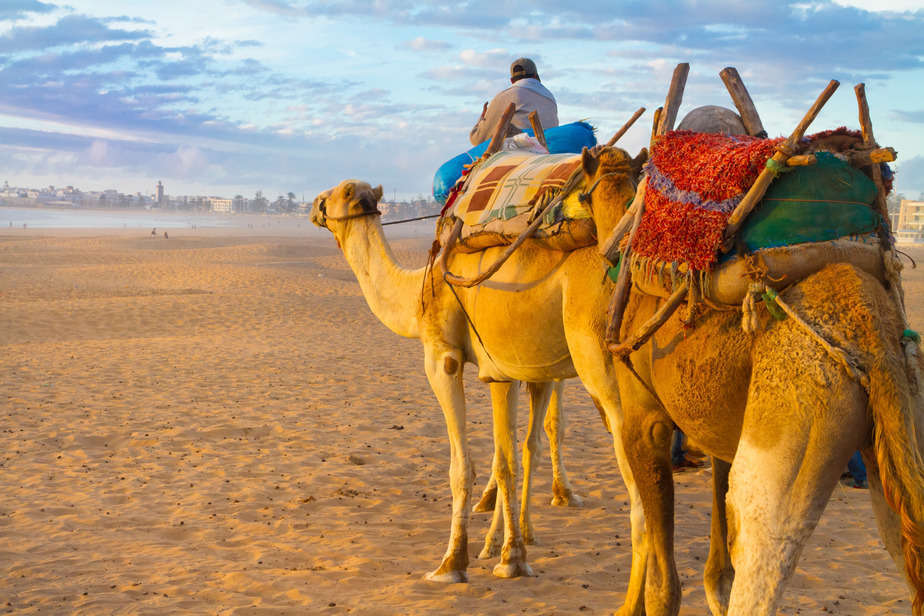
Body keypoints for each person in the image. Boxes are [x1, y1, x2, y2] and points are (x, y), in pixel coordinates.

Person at [469, 57, 559, 146]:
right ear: (536, 77)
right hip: (551, 148)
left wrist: (482, 118)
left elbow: (478, 139)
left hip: (524, 152)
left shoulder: (506, 96)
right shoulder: (550, 97)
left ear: (512, 81)